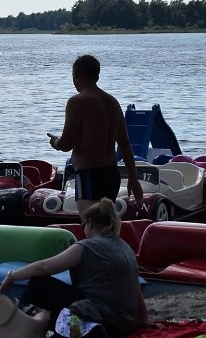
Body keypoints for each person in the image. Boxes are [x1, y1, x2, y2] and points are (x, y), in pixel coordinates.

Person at [0, 198, 148, 338]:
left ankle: (14, 329)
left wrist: (12, 276)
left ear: (89, 223)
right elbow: (136, 290)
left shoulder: (88, 247)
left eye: (83, 224)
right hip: (126, 325)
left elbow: (43, 267)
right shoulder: (125, 248)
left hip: (103, 320)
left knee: (39, 284)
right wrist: (144, 320)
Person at [46, 54, 143, 220]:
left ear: (77, 74)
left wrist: (54, 142)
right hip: (112, 175)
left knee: (91, 228)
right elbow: (125, 145)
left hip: (89, 175)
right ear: (96, 75)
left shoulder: (77, 102)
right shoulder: (112, 102)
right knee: (106, 226)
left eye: (73, 76)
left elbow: (66, 144)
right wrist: (134, 179)